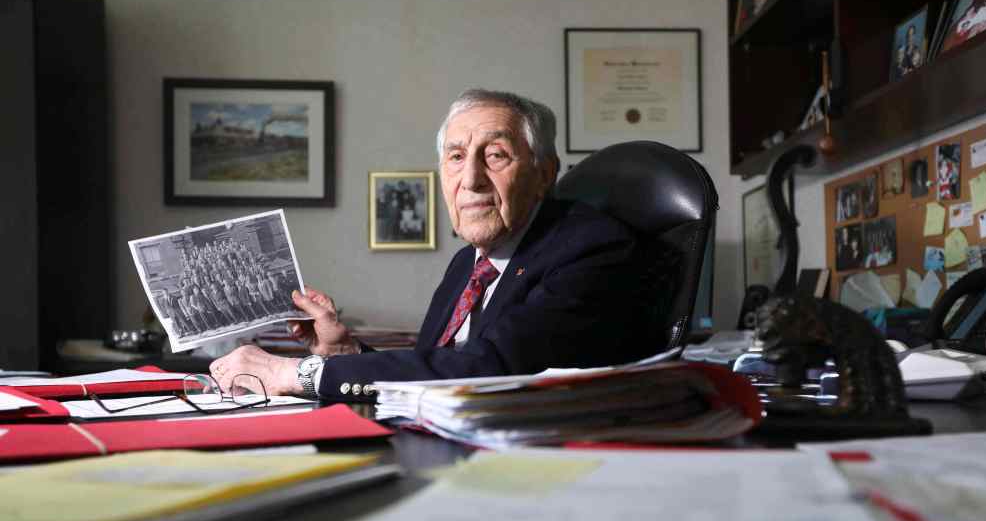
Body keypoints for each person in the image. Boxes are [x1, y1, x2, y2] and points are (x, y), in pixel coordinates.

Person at [209, 88, 662, 400]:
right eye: (457, 156)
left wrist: (294, 373)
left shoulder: (591, 247)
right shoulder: (469, 263)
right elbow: (437, 367)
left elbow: (491, 371)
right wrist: (344, 352)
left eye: (496, 155)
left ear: (545, 173)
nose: (471, 179)